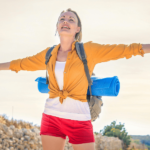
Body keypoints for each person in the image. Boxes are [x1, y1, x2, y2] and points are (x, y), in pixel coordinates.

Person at [0, 8, 150, 150]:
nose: (66, 21)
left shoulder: (89, 50)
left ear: (78, 29)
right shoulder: (49, 54)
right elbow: (20, 64)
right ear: (57, 26)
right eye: (62, 19)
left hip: (79, 119)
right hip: (51, 117)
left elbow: (124, 50)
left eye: (71, 19)